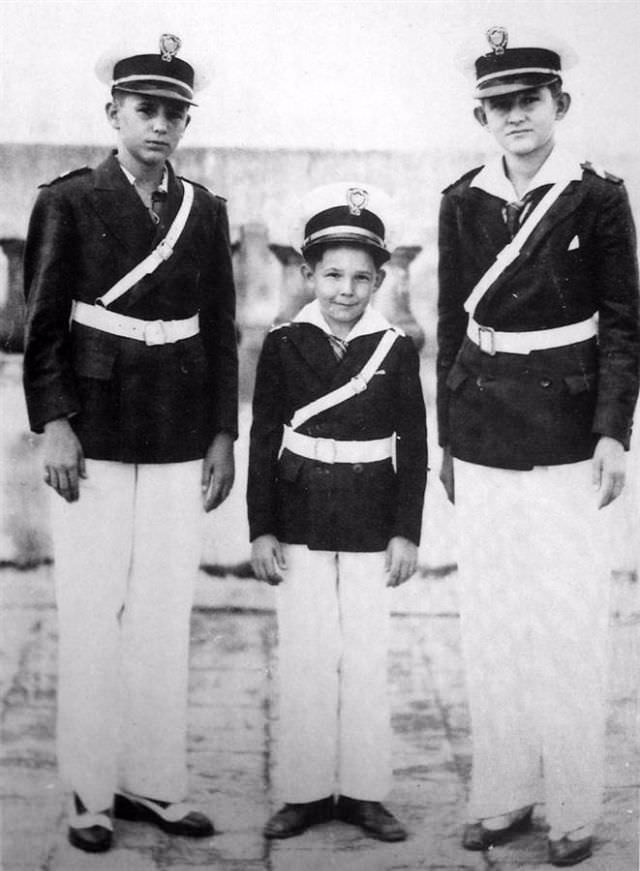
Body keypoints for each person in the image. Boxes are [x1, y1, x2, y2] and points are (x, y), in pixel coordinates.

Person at [22, 34, 238, 853]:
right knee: (90, 609)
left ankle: (152, 779)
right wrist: (55, 422)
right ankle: (87, 790)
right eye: (144, 109)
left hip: (180, 430)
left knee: (160, 612)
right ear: (112, 112)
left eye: (174, 113)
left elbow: (219, 328)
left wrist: (223, 430)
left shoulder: (205, 210)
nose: (159, 125)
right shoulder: (70, 202)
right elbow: (40, 325)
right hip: (97, 429)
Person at [437, 25, 639, 867]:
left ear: (562, 104)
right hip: (482, 427)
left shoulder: (597, 198)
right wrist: (448, 438)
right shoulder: (462, 200)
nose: (515, 115)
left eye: (530, 99)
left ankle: (572, 803)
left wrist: (612, 433)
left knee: (566, 618)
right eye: (499, 103)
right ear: (480, 112)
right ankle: (504, 790)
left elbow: (625, 324)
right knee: (492, 619)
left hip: (565, 431)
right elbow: (451, 323)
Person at [247, 182, 428, 842]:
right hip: (298, 517)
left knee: (367, 656)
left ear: (380, 279)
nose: (345, 289)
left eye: (360, 277)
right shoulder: (285, 342)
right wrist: (260, 526)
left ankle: (362, 791)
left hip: (372, 521)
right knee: (304, 654)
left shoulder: (396, 346)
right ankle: (303, 790)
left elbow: (415, 443)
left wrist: (407, 532)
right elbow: (264, 436)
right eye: (331, 274)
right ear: (307, 273)